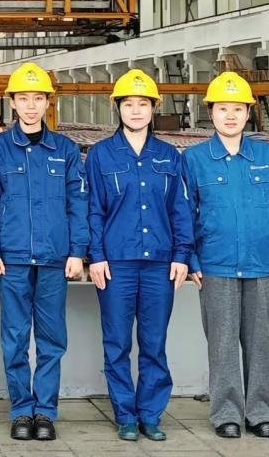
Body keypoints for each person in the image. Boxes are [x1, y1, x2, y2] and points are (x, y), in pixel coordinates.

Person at [184, 72, 269, 440]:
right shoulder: (195, 159)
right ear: (211, 113)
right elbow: (184, 214)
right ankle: (226, 414)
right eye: (223, 109)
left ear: (248, 113)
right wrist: (190, 260)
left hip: (263, 263)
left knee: (259, 344)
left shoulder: (267, 156)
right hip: (216, 264)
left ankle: (260, 413)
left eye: (238, 109)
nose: (231, 116)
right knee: (222, 344)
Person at [0, 62, 87, 441]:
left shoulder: (66, 150)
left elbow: (78, 203)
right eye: (23, 98)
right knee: (15, 338)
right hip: (13, 259)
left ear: (47, 103)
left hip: (55, 258)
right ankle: (22, 410)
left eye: (37, 98)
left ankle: (45, 412)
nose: (30, 105)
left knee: (52, 339)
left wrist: (77, 251)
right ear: (12, 102)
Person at [84, 69, 193, 442]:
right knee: (117, 343)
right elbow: (93, 210)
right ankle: (125, 415)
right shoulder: (100, 155)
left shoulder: (169, 156)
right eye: (128, 104)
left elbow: (180, 209)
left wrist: (182, 255)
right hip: (116, 263)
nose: (135, 110)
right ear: (117, 108)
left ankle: (150, 413)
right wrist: (96, 256)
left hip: (160, 263)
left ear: (153, 108)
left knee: (154, 343)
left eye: (142, 104)